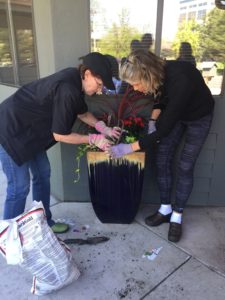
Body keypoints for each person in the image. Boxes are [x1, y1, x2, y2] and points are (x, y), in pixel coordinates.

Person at [0, 52, 121, 234]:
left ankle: (44, 223)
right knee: (19, 186)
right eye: (99, 84)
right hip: (9, 129)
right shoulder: (68, 89)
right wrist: (93, 139)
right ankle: (7, 238)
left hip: (30, 133)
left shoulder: (75, 79)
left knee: (42, 174)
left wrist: (103, 128)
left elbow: (82, 113)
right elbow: (60, 135)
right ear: (87, 74)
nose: (99, 90)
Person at [108, 49, 214, 242]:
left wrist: (128, 148)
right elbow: (160, 97)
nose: (136, 89)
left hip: (199, 116)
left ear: (148, 74)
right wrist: (152, 120)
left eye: (137, 84)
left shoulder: (181, 80)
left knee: (185, 165)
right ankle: (165, 208)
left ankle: (177, 216)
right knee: (162, 158)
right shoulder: (159, 74)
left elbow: (163, 130)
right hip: (177, 113)